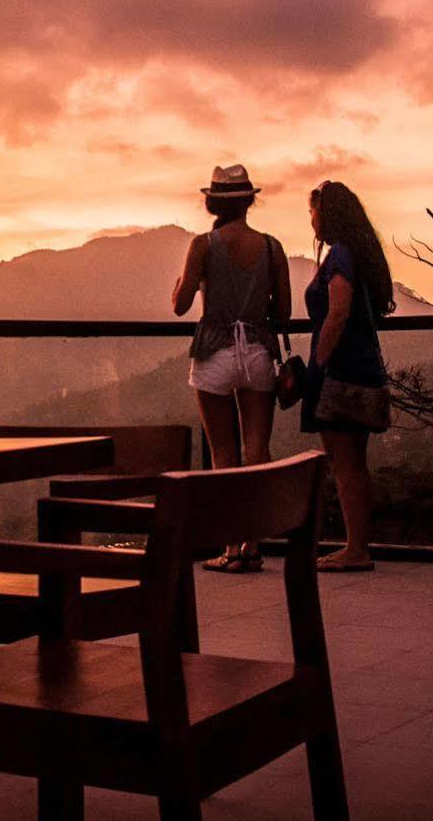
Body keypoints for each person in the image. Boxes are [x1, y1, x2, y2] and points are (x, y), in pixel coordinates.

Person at [172, 163, 290, 573]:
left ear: (211, 202)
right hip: (257, 350)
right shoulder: (272, 247)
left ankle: (230, 548)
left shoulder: (202, 245)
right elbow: (286, 310)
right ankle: (253, 542)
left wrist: (189, 281)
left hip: (215, 350)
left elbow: (180, 305)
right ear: (249, 200)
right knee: (256, 449)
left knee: (223, 453)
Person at [302, 180, 395, 572]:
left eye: (313, 211)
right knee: (353, 461)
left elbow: (338, 310)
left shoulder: (339, 255)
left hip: (339, 371)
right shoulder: (358, 253)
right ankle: (357, 545)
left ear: (328, 213)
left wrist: (318, 366)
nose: (311, 220)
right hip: (361, 367)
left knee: (344, 462)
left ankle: (355, 549)